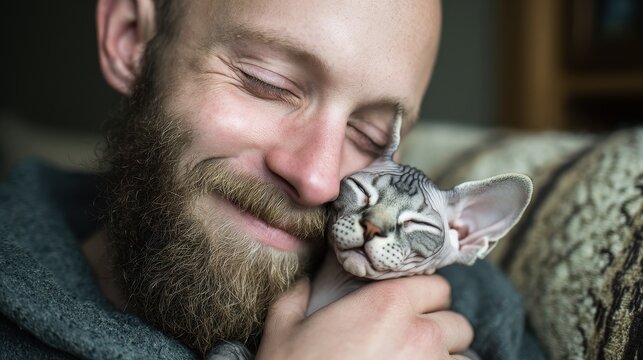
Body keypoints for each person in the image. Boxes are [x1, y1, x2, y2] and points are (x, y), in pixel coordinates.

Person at [0, 0, 543, 359]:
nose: (317, 179)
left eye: (370, 134)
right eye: (267, 83)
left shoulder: (470, 311)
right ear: (130, 41)